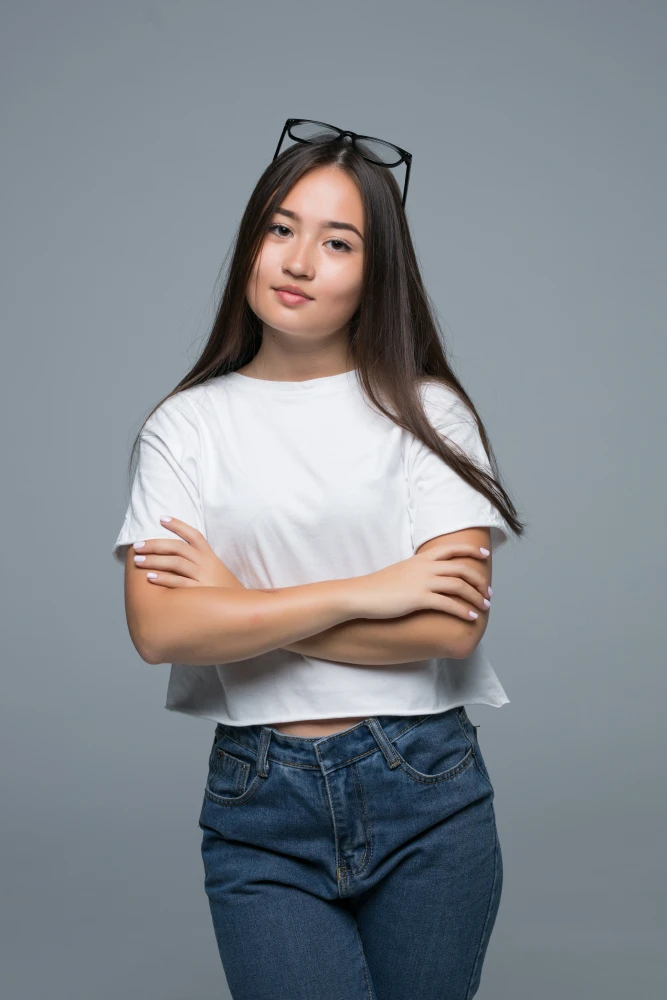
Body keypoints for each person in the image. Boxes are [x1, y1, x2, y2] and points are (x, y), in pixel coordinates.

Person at [112, 119, 525, 1000]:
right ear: (251, 245)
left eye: (337, 243)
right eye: (280, 229)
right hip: (260, 803)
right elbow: (160, 630)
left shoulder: (428, 413)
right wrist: (371, 592)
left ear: (375, 274)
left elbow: (446, 630)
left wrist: (236, 608)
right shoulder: (184, 426)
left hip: (425, 790)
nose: (299, 262)